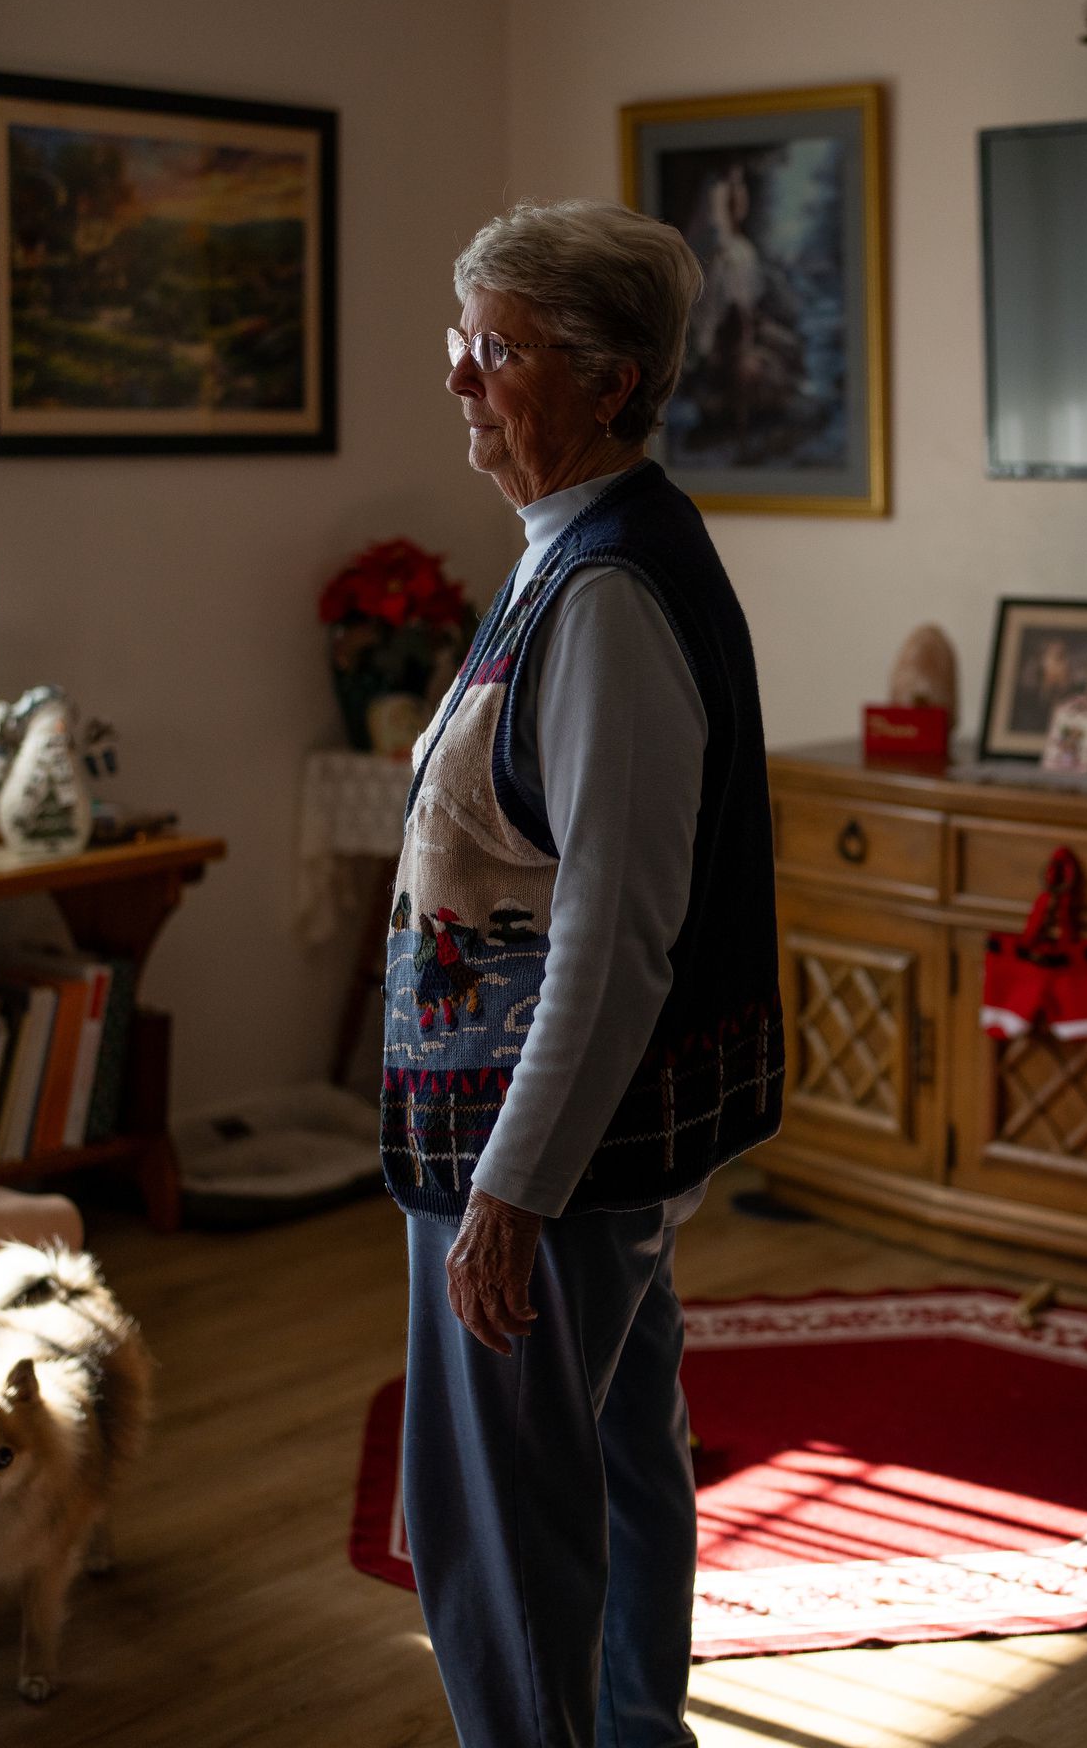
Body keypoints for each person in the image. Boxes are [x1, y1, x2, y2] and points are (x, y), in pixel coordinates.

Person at [386, 199, 781, 1748]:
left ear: (613, 381)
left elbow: (617, 936)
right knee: (616, 1468)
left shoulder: (609, 592)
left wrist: (510, 1192)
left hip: (539, 1159)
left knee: (508, 1528)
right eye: (459, 342)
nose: (462, 381)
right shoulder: (576, 553)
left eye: (497, 349)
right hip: (552, 1151)